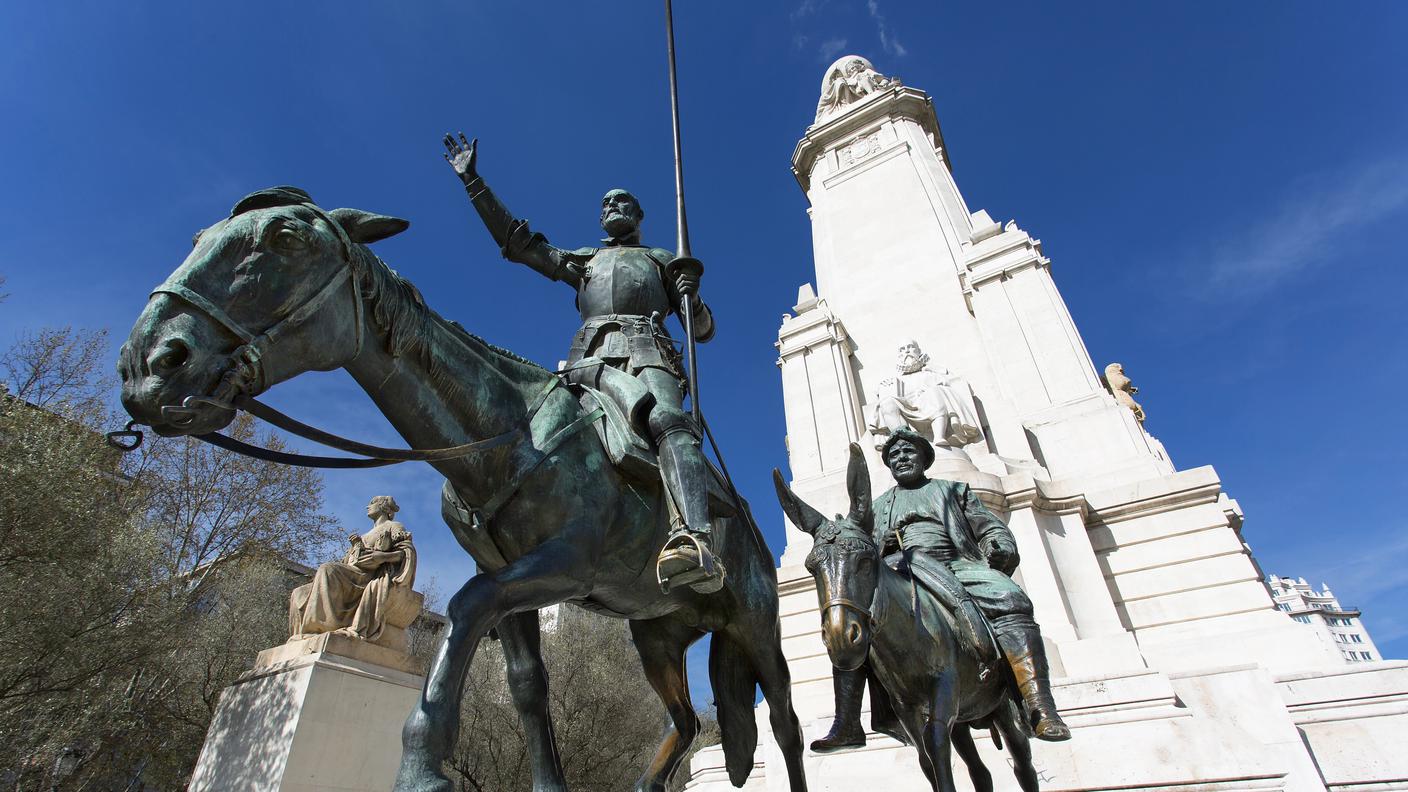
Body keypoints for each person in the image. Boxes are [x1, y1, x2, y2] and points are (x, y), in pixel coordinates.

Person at [441, 133, 723, 593]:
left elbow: (703, 331)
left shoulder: (658, 259)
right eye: (606, 202)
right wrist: (473, 182)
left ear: (638, 215)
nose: (612, 205)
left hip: (646, 354)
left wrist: (692, 298)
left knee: (670, 423)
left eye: (623, 201)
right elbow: (520, 245)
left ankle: (694, 536)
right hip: (584, 362)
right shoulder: (585, 260)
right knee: (535, 430)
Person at [811, 428, 1070, 751]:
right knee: (852, 620)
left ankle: (1038, 705)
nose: (901, 458)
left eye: (908, 452)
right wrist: (879, 544)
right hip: (898, 570)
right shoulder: (878, 506)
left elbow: (988, 525)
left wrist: (997, 542)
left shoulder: (952, 491)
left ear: (924, 458)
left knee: (1010, 597)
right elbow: (863, 550)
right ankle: (848, 721)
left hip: (955, 565)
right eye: (894, 456)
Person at [290, 495, 417, 643]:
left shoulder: (394, 526)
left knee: (327, 569)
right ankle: (304, 633)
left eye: (372, 503)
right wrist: (356, 546)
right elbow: (350, 561)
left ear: (383, 507)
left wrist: (382, 557)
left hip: (368, 574)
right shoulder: (365, 534)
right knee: (299, 593)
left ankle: (324, 627)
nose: (367, 506)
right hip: (351, 572)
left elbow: (406, 552)